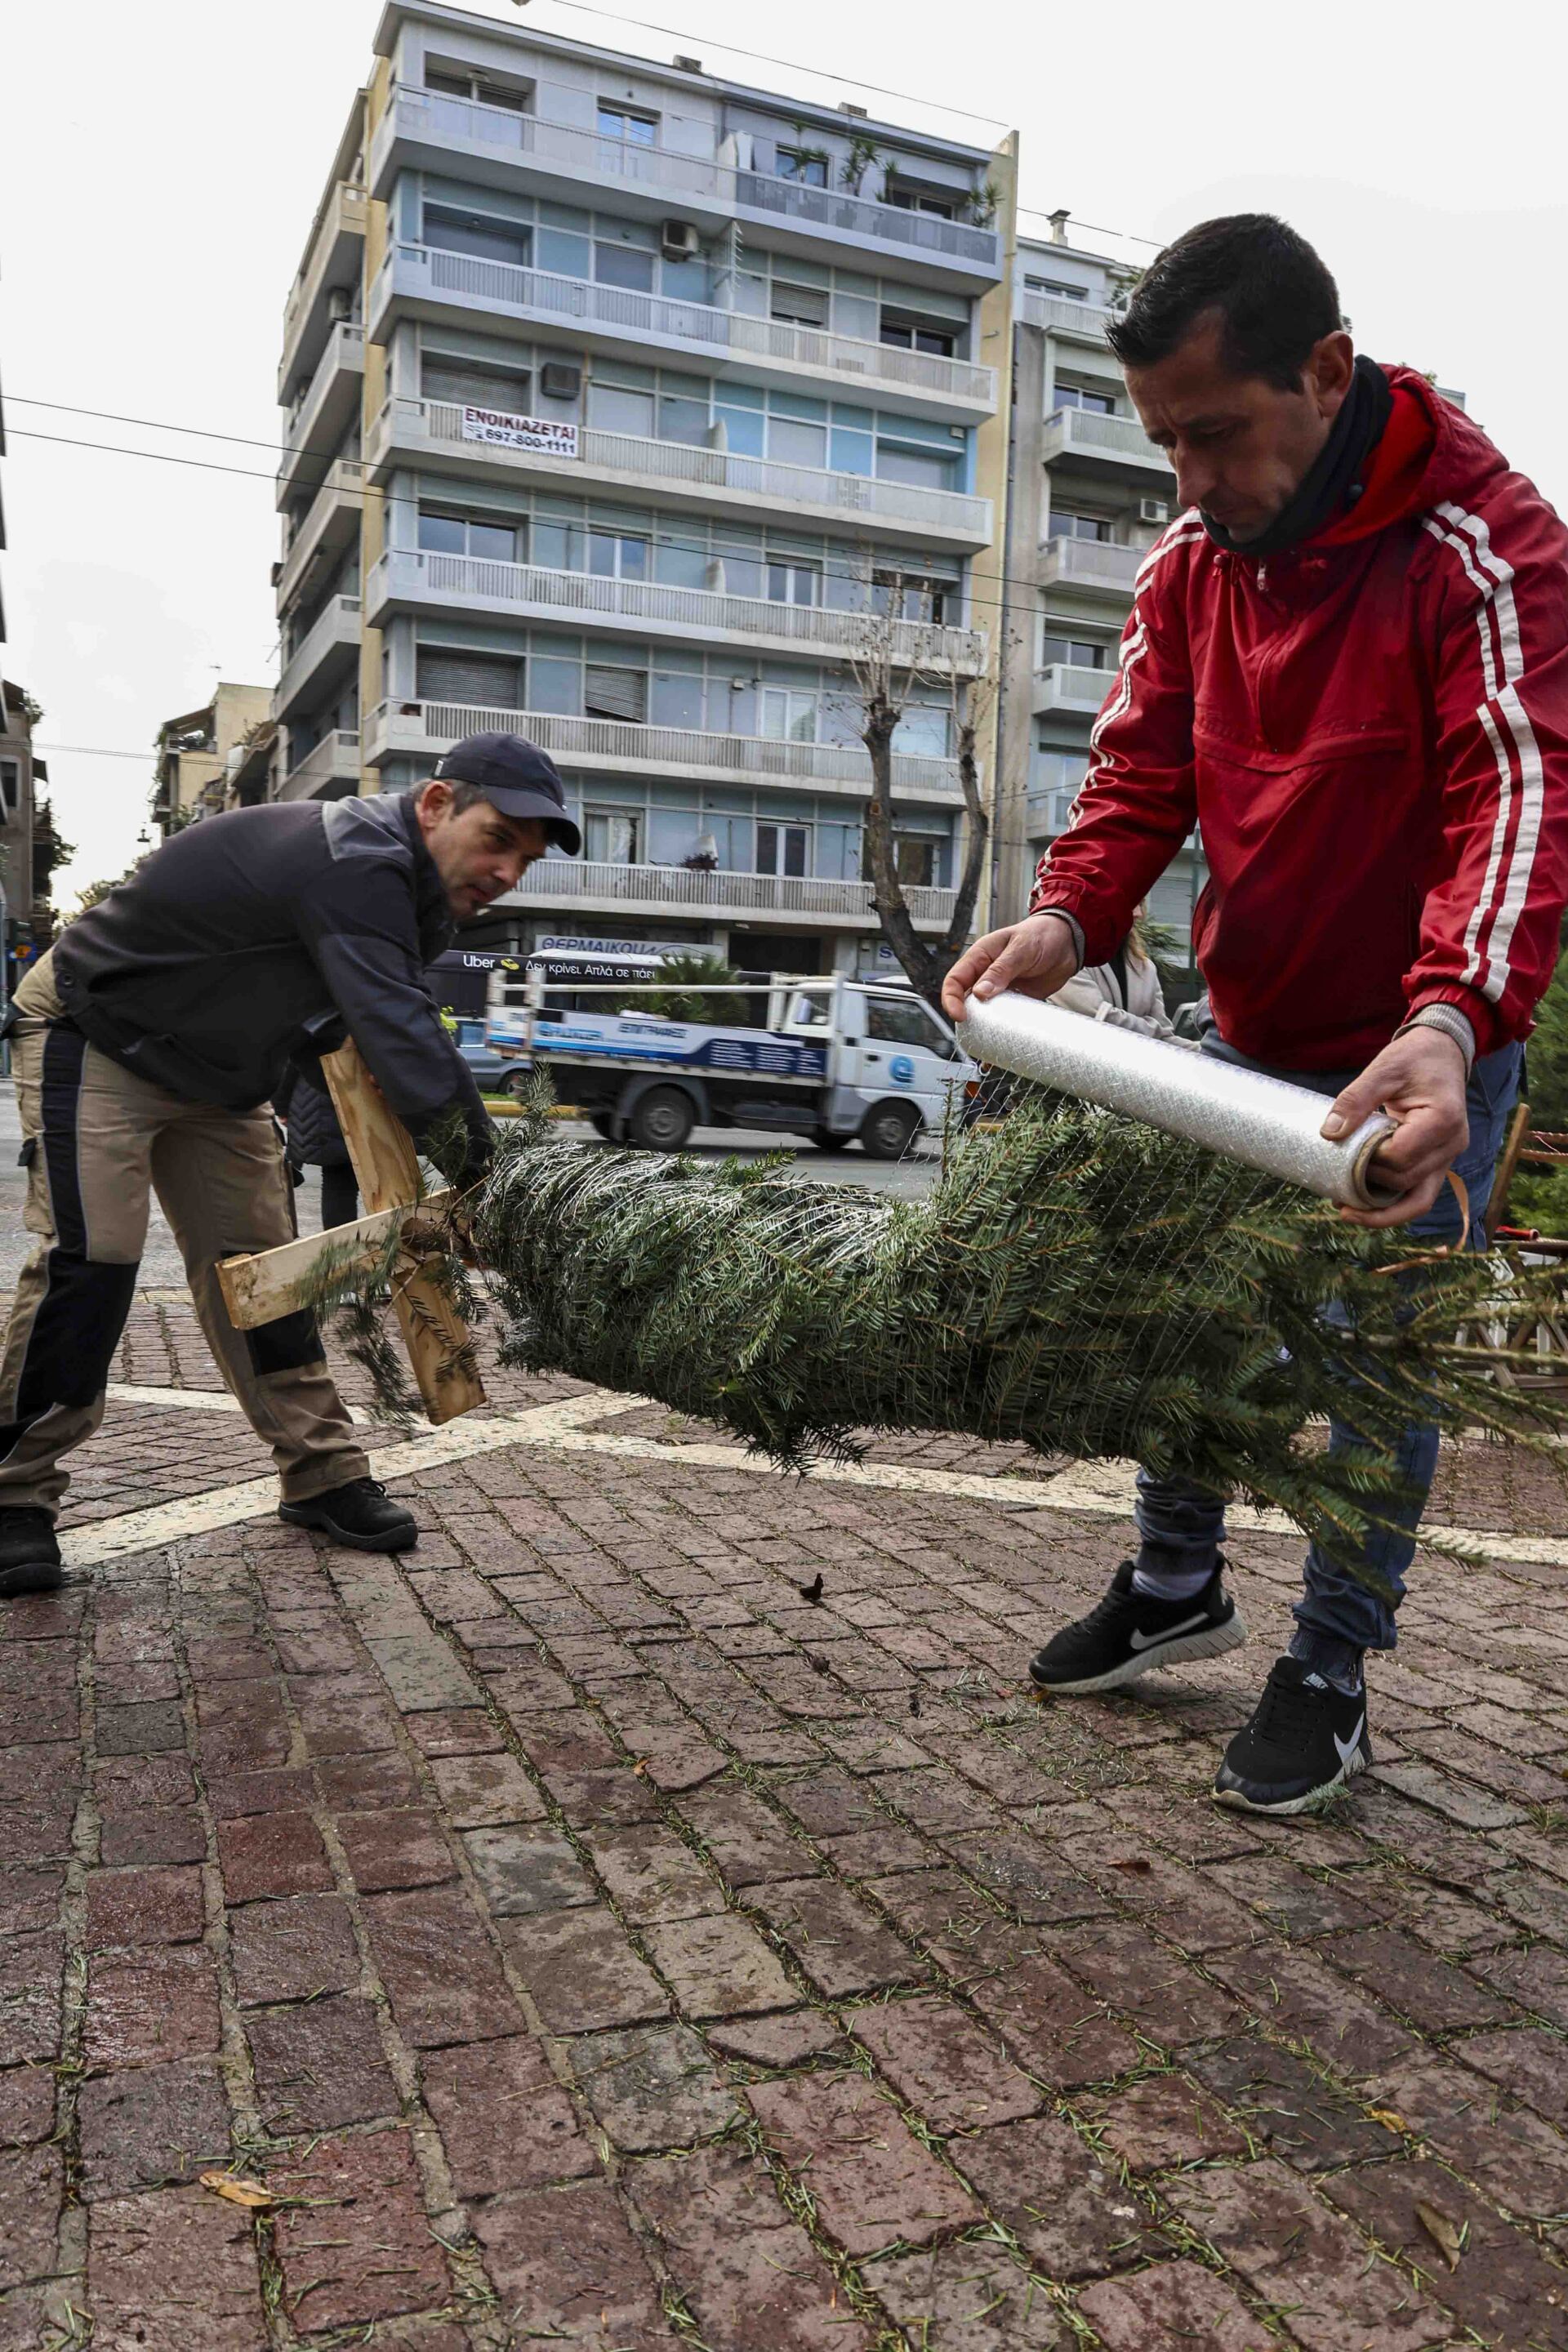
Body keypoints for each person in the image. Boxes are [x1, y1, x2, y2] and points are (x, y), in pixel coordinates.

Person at [944, 215, 1568, 1815]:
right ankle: (1174, 1586)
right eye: (1167, 441)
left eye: (1216, 433)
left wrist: (1453, 1016)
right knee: (1186, 1312)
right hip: (1255, 1019)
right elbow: (1138, 772)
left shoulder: (1485, 545)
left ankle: (1332, 1669)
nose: (1191, 480)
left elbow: (1516, 793)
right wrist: (1067, 921)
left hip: (1422, 1050)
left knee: (1376, 1366)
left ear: (1327, 374)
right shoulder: (1190, 563)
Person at [0, 733, 581, 1597]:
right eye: (498, 839)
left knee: (264, 1278)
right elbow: (401, 1032)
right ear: (435, 805)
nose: (507, 872)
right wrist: (489, 1190)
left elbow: (336, 1018)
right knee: (98, 1259)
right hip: (97, 1033)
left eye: (525, 861)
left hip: (220, 1081)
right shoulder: (359, 859)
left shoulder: (422, 899)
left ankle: (321, 1473)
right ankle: (15, 1496)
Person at [1049, 910, 1180, 1040]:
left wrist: (1193, 1049)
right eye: (1130, 903)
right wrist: (1155, 1030)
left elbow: (1166, 1038)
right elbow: (1101, 1019)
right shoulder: (1068, 956)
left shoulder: (1146, 968)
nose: (1138, 913)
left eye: (1140, 904)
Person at [278, 1061, 359, 1232]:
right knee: (341, 1175)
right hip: (357, 1091)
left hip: (321, 1096)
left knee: (339, 1178)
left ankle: (341, 1245)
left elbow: (292, 1056)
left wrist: (282, 1104)